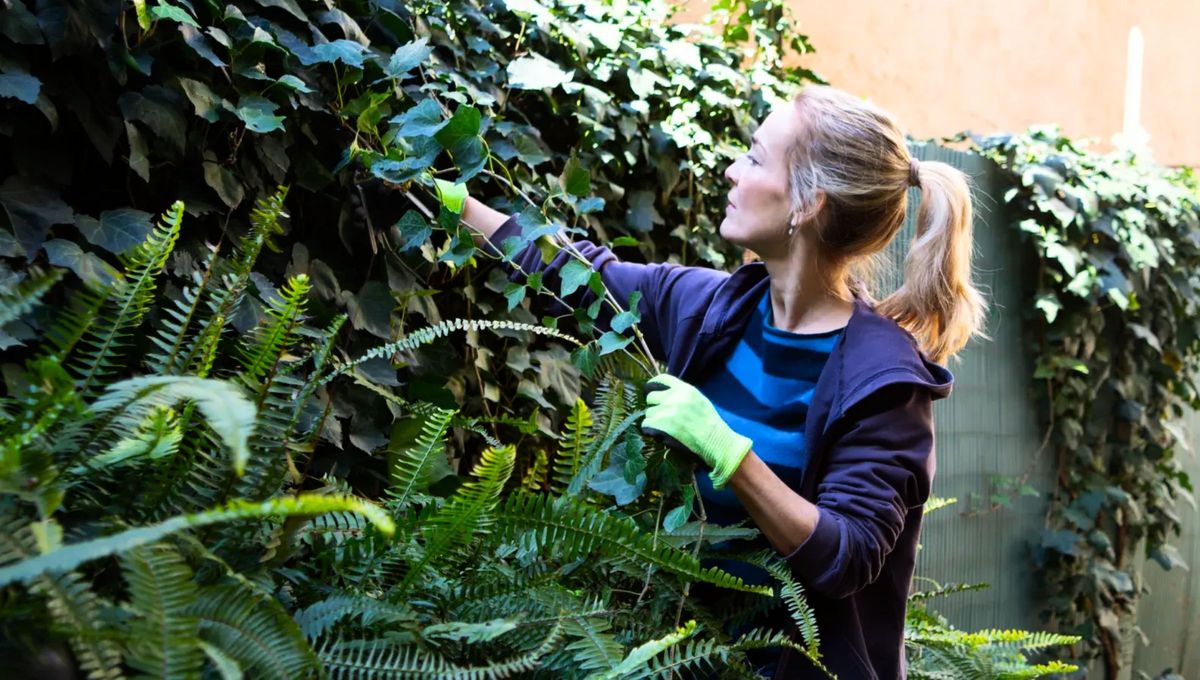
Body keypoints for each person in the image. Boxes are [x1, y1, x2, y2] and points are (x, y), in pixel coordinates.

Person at [459, 85, 986, 679]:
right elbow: (573, 272)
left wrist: (727, 452)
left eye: (756, 157)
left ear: (809, 202)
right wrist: (446, 201)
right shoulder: (709, 308)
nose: (732, 171)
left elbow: (848, 554)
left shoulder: (884, 381)